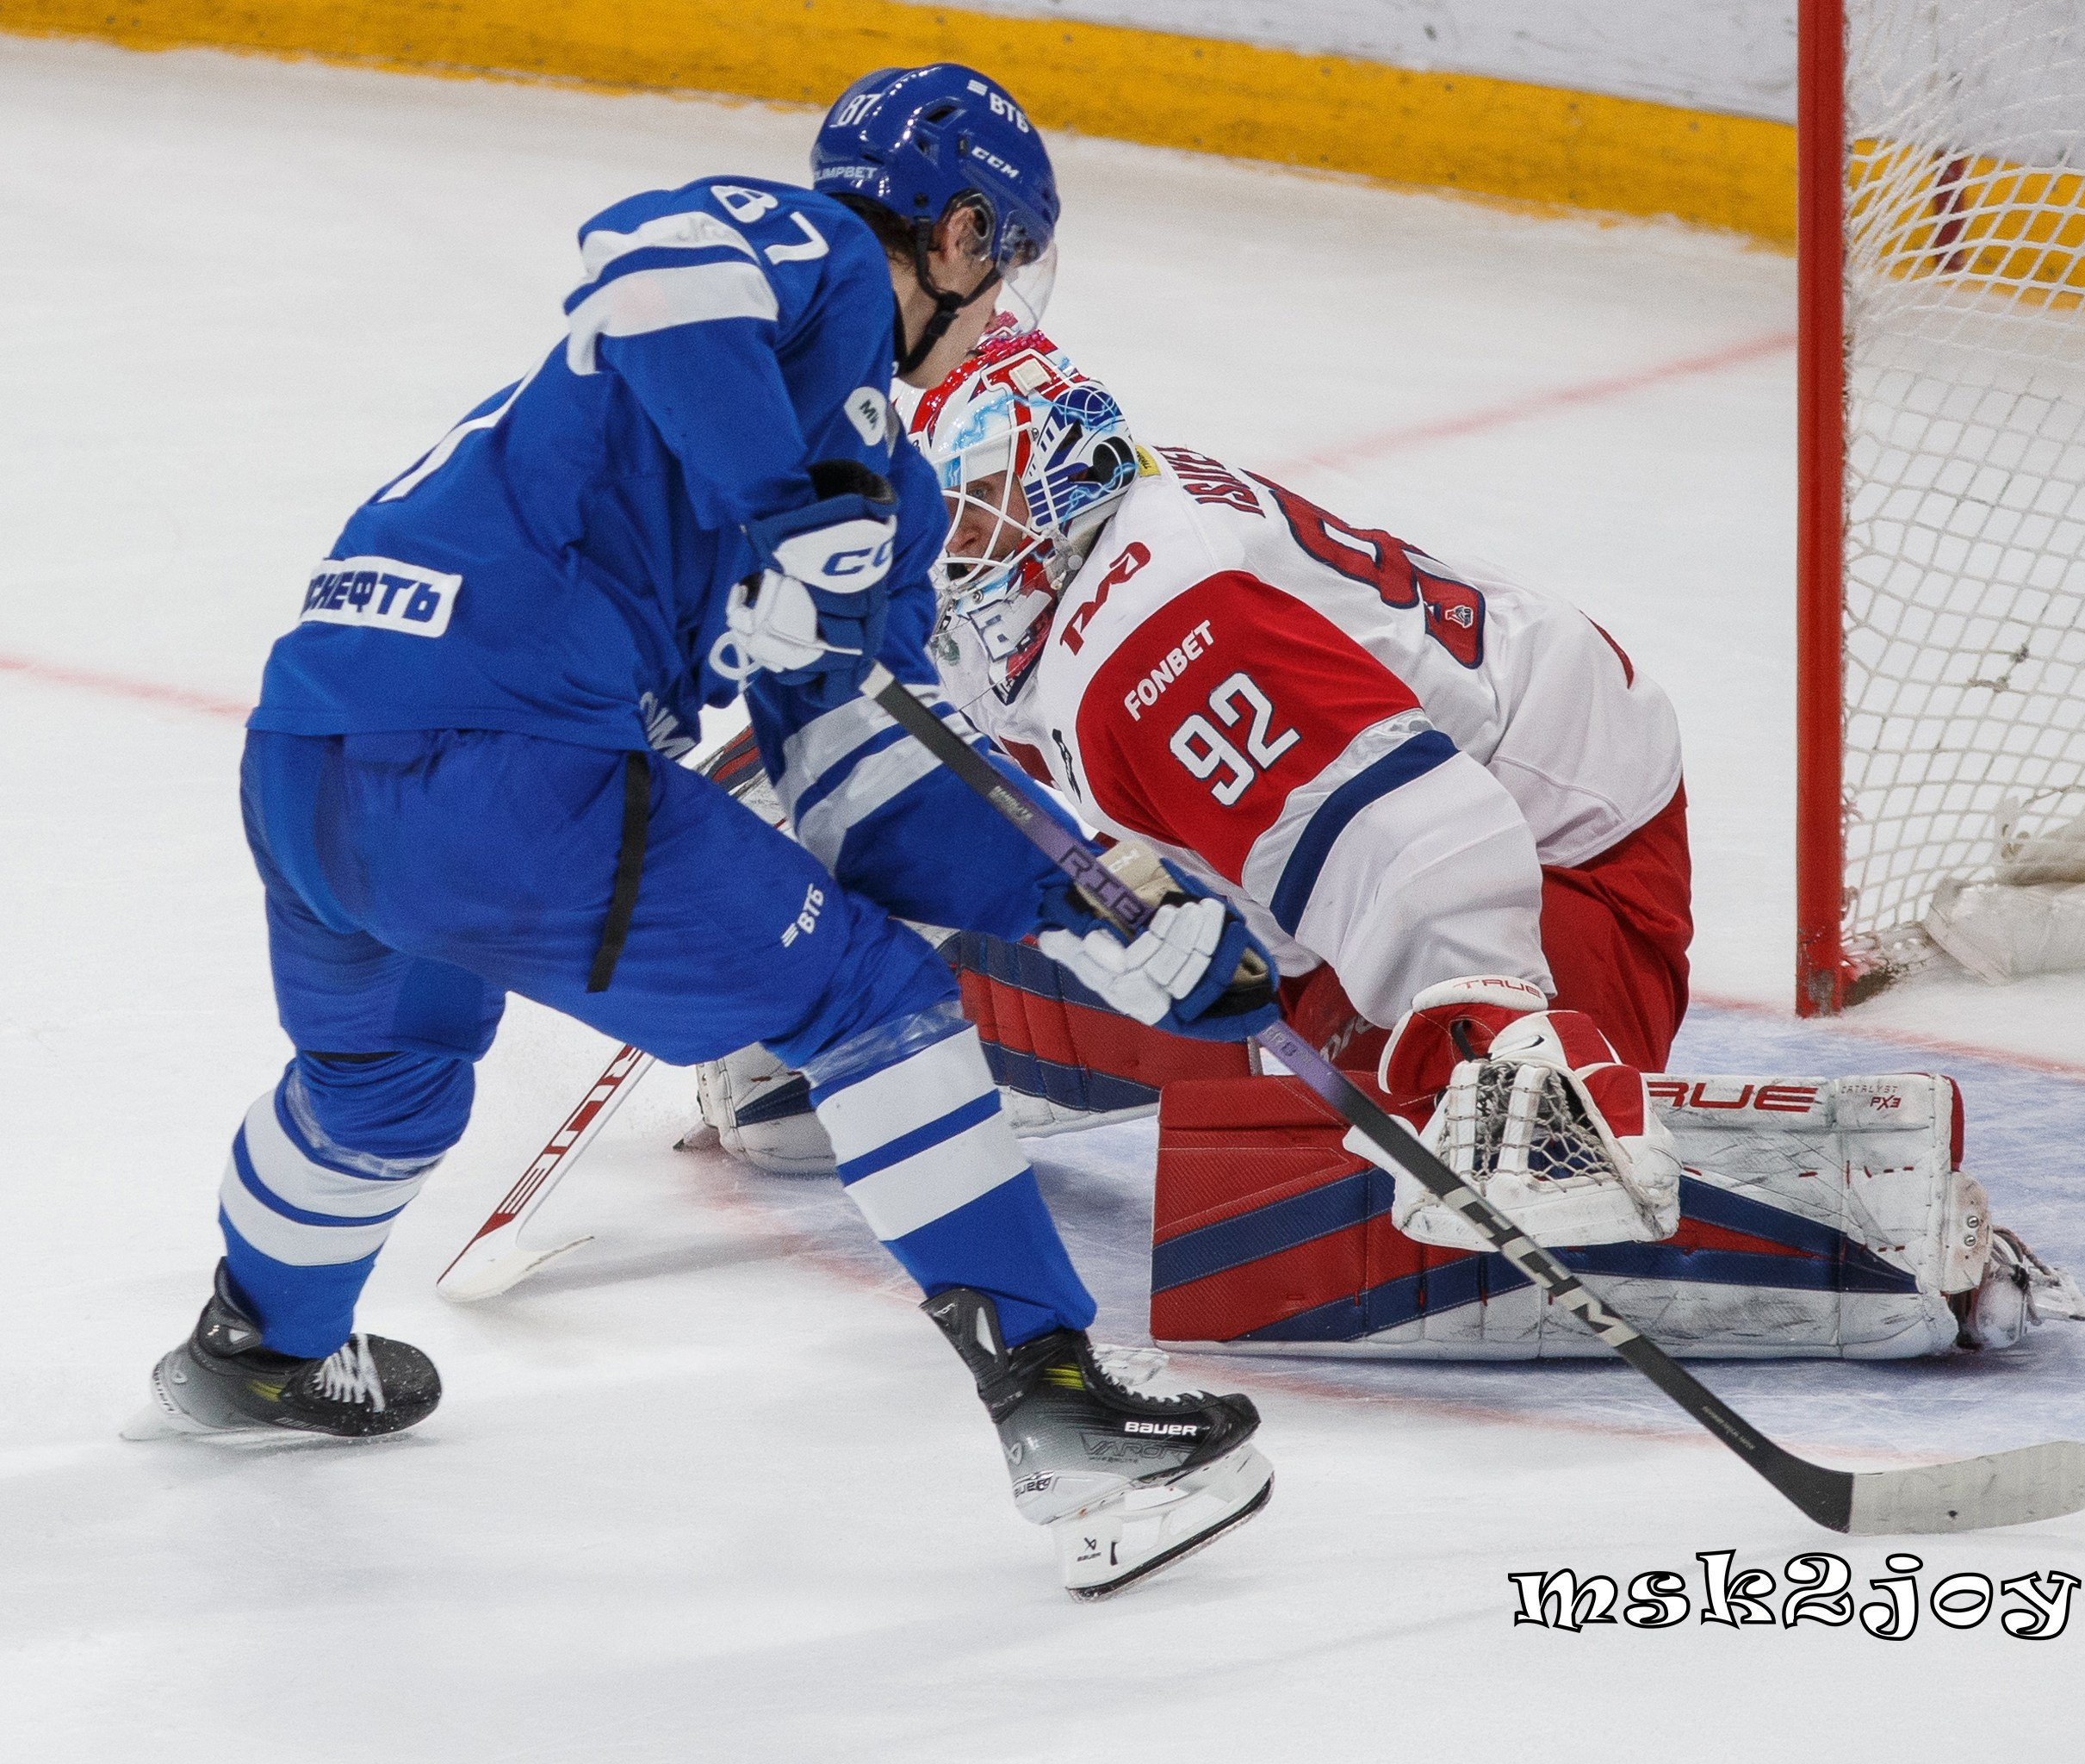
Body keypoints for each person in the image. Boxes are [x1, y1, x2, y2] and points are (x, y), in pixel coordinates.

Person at [125, 67, 1280, 1601]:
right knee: (871, 1004)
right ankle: (1065, 1413)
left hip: (310, 761)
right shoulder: (805, 272)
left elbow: (867, 787)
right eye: (997, 264)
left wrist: (1090, 902)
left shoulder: (887, 491)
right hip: (506, 769)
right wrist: (784, 503)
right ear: (955, 231)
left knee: (384, 1078)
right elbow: (648, 246)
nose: (999, 306)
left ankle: (258, 1350)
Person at [892, 329, 2085, 1360]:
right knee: (1139, 976)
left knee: (1369, 1154)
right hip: (1410, 834)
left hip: (1565, 872)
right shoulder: (1064, 585)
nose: (953, 546)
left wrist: (1495, 1037)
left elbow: (1414, 841)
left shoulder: (1157, 638)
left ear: (1063, 482)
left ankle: (1873, 1232)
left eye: (977, 508)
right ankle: (872, 1028)